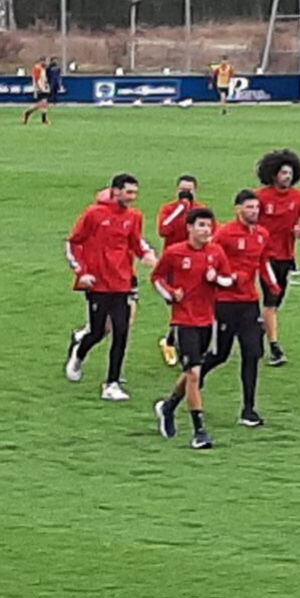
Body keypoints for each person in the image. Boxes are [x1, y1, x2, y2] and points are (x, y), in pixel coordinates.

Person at [64, 173, 157, 400]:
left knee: (121, 332)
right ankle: (79, 351)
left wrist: (146, 254)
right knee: (97, 332)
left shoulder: (134, 216)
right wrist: (82, 273)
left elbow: (135, 242)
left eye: (135, 193)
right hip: (98, 283)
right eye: (128, 192)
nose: (132, 197)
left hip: (122, 282)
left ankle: (112, 383)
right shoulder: (94, 214)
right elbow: (74, 243)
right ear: (115, 191)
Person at [152, 208, 233, 450]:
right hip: (183, 321)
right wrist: (171, 295)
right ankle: (200, 431)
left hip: (206, 320)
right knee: (195, 374)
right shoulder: (175, 253)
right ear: (189, 228)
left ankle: (168, 406)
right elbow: (157, 278)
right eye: (201, 225)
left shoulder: (216, 252)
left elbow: (228, 279)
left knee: (191, 374)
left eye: (209, 226)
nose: (206, 230)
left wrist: (215, 278)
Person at [202, 190, 280, 426]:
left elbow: (263, 261)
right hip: (225, 303)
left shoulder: (262, 235)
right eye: (249, 207)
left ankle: (249, 409)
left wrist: (272, 283)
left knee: (253, 353)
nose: (254, 212)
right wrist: (223, 279)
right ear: (238, 209)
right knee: (220, 354)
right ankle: (196, 375)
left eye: (256, 208)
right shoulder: (225, 234)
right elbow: (210, 259)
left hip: (249, 303)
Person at [255, 149, 300, 366]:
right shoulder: (261, 197)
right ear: (273, 174)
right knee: (272, 298)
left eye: (289, 173)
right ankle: (275, 347)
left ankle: (260, 325)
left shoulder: (299, 198)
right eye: (283, 173)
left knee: (277, 300)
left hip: (286, 255)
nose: (287, 177)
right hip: (265, 257)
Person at [155, 175, 205, 366]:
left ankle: (174, 342)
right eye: (182, 189)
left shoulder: (201, 210)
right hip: (174, 264)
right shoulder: (169, 209)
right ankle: (174, 343)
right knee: (178, 303)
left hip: (196, 265)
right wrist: (181, 209)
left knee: (190, 304)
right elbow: (164, 230)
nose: (186, 193)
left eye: (189, 189)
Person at [22, 57, 51, 125]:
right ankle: (28, 113)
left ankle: (42, 119)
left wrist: (47, 86)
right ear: (42, 61)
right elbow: (37, 79)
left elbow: (44, 79)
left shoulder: (43, 69)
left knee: (44, 104)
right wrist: (41, 88)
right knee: (42, 103)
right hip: (39, 89)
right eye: (46, 62)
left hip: (43, 88)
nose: (47, 64)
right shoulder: (38, 68)